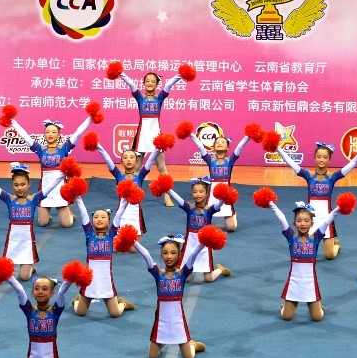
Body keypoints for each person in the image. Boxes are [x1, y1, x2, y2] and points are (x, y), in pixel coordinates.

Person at [120, 230, 222, 358]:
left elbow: (193, 255)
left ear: (179, 254)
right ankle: (163, 341)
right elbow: (146, 255)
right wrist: (132, 240)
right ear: (161, 255)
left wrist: (204, 242)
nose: (169, 256)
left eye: (173, 253)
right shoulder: (158, 274)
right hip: (161, 322)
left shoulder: (183, 274)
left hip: (178, 322)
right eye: (165, 253)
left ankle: (192, 345)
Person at [259, 189, 355, 321]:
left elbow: (326, 221)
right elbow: (282, 219)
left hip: (310, 283)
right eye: (299, 221)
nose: (302, 224)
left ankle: (319, 307)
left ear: (312, 223)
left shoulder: (316, 238)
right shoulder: (291, 237)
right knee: (286, 317)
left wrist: (339, 208)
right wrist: (271, 204)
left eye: (306, 220)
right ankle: (285, 307)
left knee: (317, 317)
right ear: (294, 224)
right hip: (294, 283)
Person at [109, 61, 195, 206]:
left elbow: (169, 85)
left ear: (157, 84)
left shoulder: (159, 98)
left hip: (156, 136)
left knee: (161, 167)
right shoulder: (140, 97)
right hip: (141, 136)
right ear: (144, 84)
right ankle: (133, 193)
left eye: (153, 81)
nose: (150, 83)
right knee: (136, 168)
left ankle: (167, 196)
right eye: (147, 81)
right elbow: (131, 84)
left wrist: (181, 75)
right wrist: (120, 73)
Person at [0, 105, 96, 228]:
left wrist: (90, 118)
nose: (50, 134)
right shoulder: (40, 149)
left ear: (59, 135)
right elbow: (25, 136)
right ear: (44, 134)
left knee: (66, 224)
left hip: (60, 189)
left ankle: (70, 215)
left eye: (54, 132)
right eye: (47, 132)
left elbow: (78, 133)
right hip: (45, 189)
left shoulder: (64, 148)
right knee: (42, 223)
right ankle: (47, 215)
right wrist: (12, 121)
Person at [0, 162, 65, 280]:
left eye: (23, 184)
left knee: (24, 277)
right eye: (16, 185)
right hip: (13, 241)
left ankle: (30, 268)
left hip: (27, 243)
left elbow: (51, 186)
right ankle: (28, 267)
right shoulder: (9, 199)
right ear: (12, 185)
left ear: (29, 184)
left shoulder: (34, 199)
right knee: (5, 274)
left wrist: (64, 173)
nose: (20, 188)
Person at [274, 140, 357, 260]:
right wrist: (277, 148)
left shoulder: (332, 177)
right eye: (319, 156)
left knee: (329, 256)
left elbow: (352, 164)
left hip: (326, 217)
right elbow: (290, 162)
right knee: (308, 252)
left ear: (329, 160)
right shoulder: (308, 175)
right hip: (311, 218)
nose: (321, 159)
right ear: (315, 158)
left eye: (325, 157)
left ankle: (336, 245)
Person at [184, 124, 261, 231]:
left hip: (226, 195)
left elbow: (240, 146)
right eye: (217, 142)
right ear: (213, 147)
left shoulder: (230, 160)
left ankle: (233, 213)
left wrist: (248, 136)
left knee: (231, 228)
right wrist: (191, 134)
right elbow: (200, 147)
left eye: (223, 142)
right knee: (204, 227)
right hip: (212, 195)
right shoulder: (210, 160)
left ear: (228, 147)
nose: (219, 143)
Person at [71, 196, 136, 317]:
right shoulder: (89, 234)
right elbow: (84, 214)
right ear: (92, 221)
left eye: (103, 217)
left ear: (109, 222)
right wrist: (78, 197)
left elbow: (118, 215)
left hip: (106, 280)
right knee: (80, 312)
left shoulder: (111, 235)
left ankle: (122, 303)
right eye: (96, 217)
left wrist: (125, 201)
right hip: (90, 280)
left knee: (115, 313)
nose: (99, 219)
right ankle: (76, 300)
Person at [162, 177, 230, 282]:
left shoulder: (209, 210)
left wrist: (225, 196)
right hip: (190, 245)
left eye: (201, 191)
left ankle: (220, 269)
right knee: (186, 278)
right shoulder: (189, 208)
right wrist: (168, 189)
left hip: (204, 246)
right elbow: (179, 199)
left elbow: (219, 204)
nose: (198, 194)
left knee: (209, 279)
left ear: (207, 194)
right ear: (192, 194)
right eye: (195, 192)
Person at [91, 138, 157, 233]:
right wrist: (98, 145)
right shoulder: (118, 175)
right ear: (121, 161)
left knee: (134, 243)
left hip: (136, 215)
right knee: (120, 242)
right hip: (121, 215)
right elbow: (107, 159)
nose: (128, 160)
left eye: (131, 157)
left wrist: (158, 148)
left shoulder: (140, 176)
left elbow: (150, 161)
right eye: (125, 157)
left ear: (137, 161)